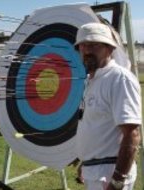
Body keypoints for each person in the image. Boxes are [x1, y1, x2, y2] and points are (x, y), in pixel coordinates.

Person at [75, 22, 142, 190]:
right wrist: (87, 162)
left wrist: (117, 180)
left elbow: (132, 135)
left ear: (109, 49)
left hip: (110, 173)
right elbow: (96, 126)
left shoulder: (119, 79)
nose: (87, 50)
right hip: (97, 171)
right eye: (83, 45)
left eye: (94, 45)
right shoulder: (91, 80)